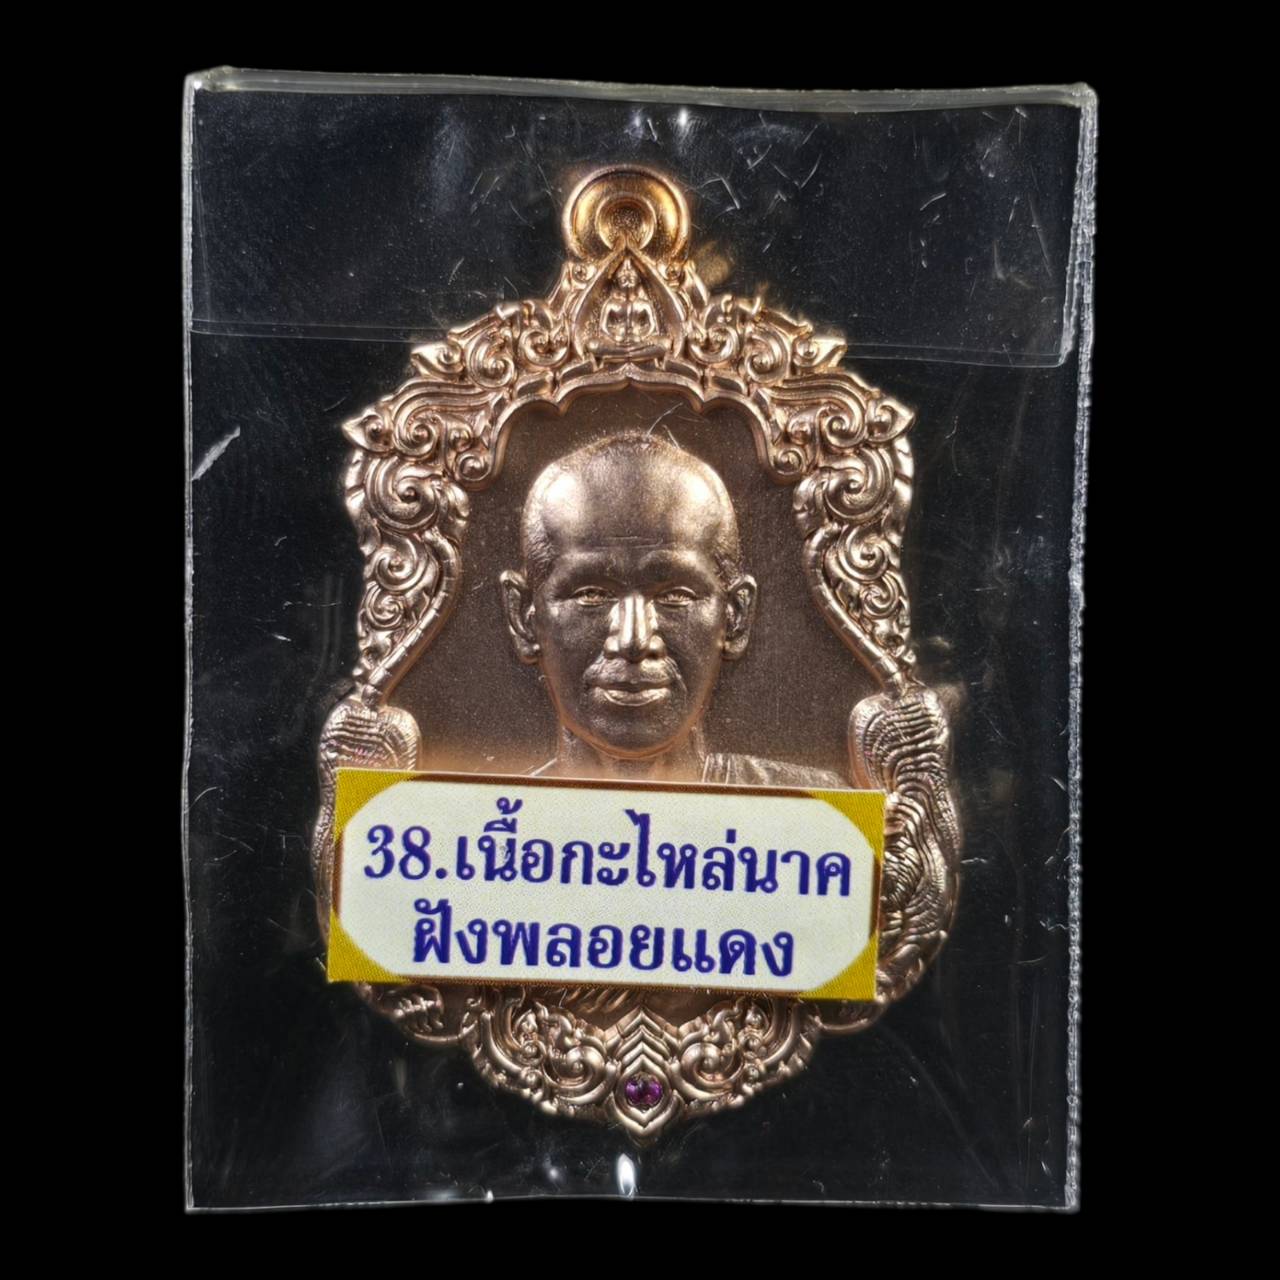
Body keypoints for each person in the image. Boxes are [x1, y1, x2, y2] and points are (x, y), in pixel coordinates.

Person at [500, 432, 845, 789]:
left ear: (735, 617)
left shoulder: (823, 810)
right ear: (523, 617)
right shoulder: (480, 817)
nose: (634, 641)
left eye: (675, 596)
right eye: (592, 594)